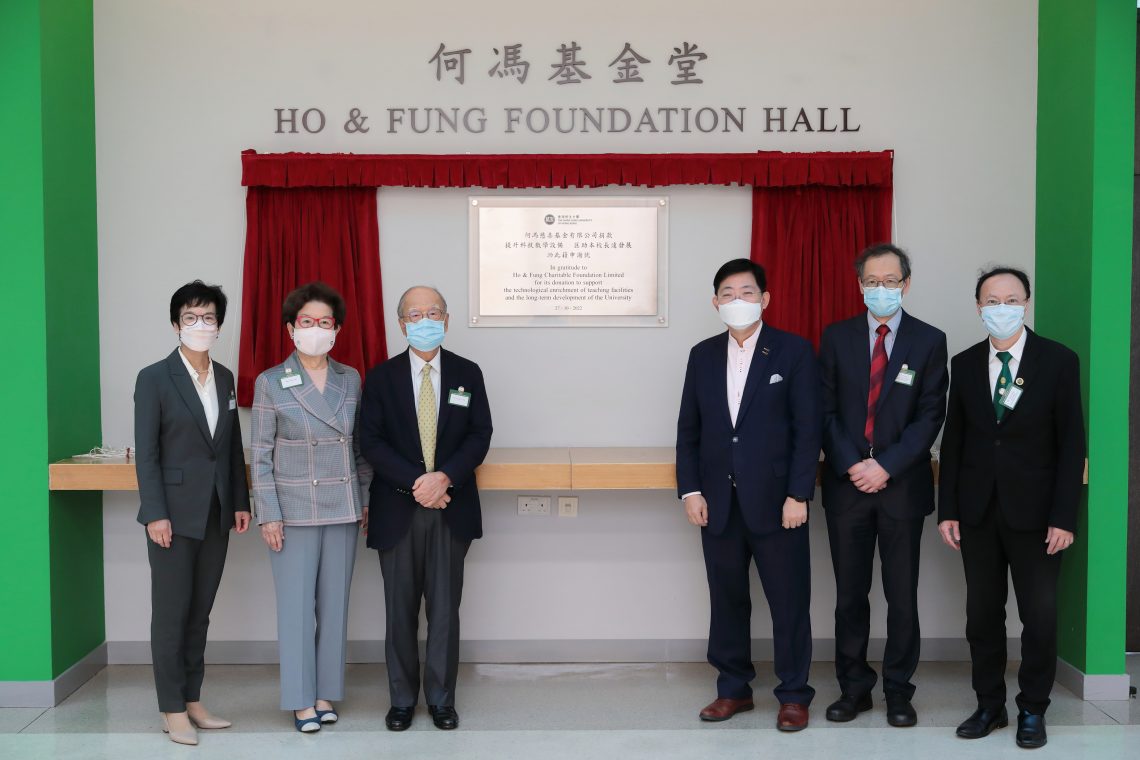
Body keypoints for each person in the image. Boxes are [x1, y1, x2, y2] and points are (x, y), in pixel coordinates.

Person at [938, 266, 1085, 749]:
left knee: (1039, 617)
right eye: (992, 300)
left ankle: (1033, 710)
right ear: (979, 307)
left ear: (1026, 303)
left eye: (1011, 299)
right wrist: (949, 510)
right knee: (982, 615)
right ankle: (989, 705)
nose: (1002, 308)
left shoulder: (1059, 361)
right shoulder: (964, 363)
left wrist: (1065, 516)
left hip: (1040, 518)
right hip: (978, 514)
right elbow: (955, 442)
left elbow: (1071, 446)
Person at [676, 258, 822, 732]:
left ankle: (794, 694)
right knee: (727, 598)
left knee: (788, 601)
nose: (737, 301)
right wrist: (691, 490)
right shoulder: (701, 355)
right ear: (715, 302)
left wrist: (799, 494)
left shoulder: (793, 352)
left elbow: (808, 429)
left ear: (765, 299)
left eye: (746, 292)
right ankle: (733, 688)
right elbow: (689, 430)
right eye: (727, 293)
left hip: (779, 503)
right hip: (717, 501)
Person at [818, 243, 948, 727]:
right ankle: (854, 688)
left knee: (902, 595)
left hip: (902, 488)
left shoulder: (930, 340)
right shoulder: (836, 337)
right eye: (872, 282)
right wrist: (854, 463)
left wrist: (886, 466)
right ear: (859, 286)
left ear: (906, 284)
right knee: (849, 594)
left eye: (891, 281)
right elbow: (824, 409)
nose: (881, 289)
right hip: (847, 487)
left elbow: (931, 414)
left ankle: (898, 689)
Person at [360, 286, 492, 732]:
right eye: (415, 314)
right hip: (398, 509)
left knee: (444, 610)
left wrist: (443, 478)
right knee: (398, 611)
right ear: (402, 324)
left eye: (433, 312)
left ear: (447, 320)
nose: (425, 319)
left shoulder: (467, 373)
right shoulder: (379, 378)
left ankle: (440, 699)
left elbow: (480, 435)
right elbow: (371, 442)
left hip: (451, 506)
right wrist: (418, 484)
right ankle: (401, 699)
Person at [250, 282, 372, 733]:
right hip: (293, 510)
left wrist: (364, 501)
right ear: (291, 329)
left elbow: (360, 448)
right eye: (307, 322)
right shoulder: (270, 382)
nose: (315, 329)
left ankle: (324, 693)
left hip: (342, 506)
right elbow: (259, 454)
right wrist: (269, 513)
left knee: (335, 605)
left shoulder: (351, 378)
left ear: (336, 329)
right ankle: (300, 700)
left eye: (325, 322)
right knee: (297, 608)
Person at [134, 280, 252, 746]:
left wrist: (240, 501)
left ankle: (193, 699)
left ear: (219, 326)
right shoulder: (154, 377)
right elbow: (147, 455)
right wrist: (155, 513)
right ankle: (170, 708)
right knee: (171, 614)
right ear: (175, 324)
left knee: (199, 612)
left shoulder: (223, 377)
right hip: (172, 516)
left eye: (208, 318)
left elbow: (229, 447)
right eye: (190, 317)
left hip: (216, 511)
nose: (200, 325)